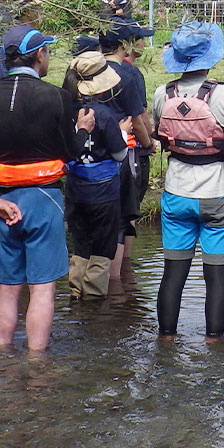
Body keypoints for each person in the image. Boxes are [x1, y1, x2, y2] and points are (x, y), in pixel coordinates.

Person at [0, 26, 91, 351]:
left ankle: (1, 359)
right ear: (39, 55)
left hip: (3, 202)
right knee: (42, 289)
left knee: (7, 287)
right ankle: (36, 365)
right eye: (47, 51)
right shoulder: (57, 97)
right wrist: (84, 130)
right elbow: (71, 152)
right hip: (44, 199)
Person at [153, 21, 224, 341]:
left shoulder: (163, 94)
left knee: (173, 273)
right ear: (210, 58)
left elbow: (161, 133)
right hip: (217, 195)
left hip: (176, 194)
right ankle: (214, 342)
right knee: (217, 277)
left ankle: (166, 339)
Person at [61, 51, 129, 298]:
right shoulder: (104, 114)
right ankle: (94, 308)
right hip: (103, 193)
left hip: (75, 190)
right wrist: (122, 133)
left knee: (80, 246)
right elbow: (120, 155)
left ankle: (75, 295)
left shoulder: (65, 110)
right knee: (102, 249)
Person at [100, 23, 156, 283]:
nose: (142, 45)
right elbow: (138, 117)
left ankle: (97, 282)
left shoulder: (88, 70)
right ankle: (120, 278)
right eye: (138, 40)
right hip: (128, 153)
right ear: (125, 45)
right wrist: (149, 143)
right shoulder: (129, 74)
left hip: (90, 154)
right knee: (127, 214)